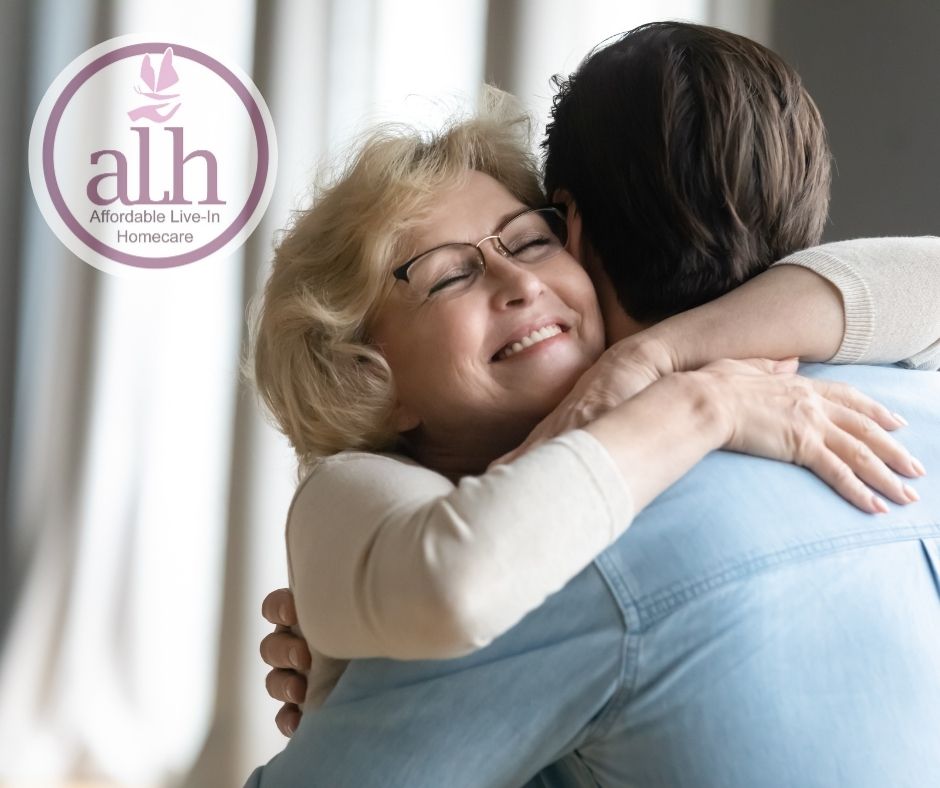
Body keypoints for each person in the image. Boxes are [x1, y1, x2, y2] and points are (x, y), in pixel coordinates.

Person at [246, 23, 940, 788]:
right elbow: (457, 579)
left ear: (576, 239)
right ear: (366, 376)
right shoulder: (353, 488)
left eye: (530, 241)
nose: (519, 283)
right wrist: (697, 400)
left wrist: (654, 358)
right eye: (449, 277)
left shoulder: (670, 440)